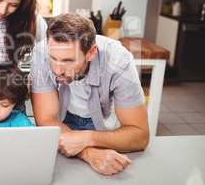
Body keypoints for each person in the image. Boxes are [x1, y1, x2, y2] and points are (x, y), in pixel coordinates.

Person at [30, 13, 150, 176]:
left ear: (91, 53)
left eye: (68, 61)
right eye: (53, 58)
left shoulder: (118, 61)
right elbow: (45, 121)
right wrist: (89, 153)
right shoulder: (42, 52)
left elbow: (140, 135)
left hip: (103, 125)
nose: (57, 70)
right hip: (64, 120)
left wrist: (87, 138)